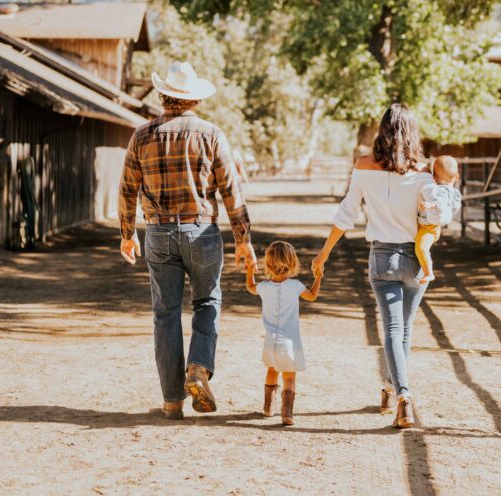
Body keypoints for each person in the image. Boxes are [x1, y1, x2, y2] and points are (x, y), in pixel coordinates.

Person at [119, 61, 258, 420]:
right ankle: (197, 369)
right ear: (194, 100)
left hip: (159, 232)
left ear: (164, 95)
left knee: (165, 315)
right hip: (202, 231)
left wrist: (126, 233)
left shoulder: (141, 135)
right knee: (207, 302)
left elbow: (127, 189)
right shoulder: (211, 134)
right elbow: (231, 190)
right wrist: (244, 239)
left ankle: (171, 402)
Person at [312, 103, 434, 429]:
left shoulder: (364, 165)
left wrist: (323, 255)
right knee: (404, 330)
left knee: (394, 329)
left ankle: (402, 394)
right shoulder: (424, 171)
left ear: (382, 129)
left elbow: (346, 214)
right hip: (416, 259)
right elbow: (435, 215)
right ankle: (396, 391)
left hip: (382, 257)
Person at [245, 241, 322, 426]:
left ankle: (268, 407)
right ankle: (286, 412)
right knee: (289, 377)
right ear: (292, 262)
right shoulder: (295, 286)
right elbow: (312, 295)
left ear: (268, 264)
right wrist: (318, 277)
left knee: (271, 371)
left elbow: (250, 287)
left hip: (270, 342)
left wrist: (249, 269)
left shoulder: (264, 287)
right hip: (290, 342)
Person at [415, 155, 463, 284]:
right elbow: (453, 207)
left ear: (433, 177)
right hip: (433, 227)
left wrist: (431, 205)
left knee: (421, 248)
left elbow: (440, 201)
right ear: (457, 177)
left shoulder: (439, 191)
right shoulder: (454, 192)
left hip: (428, 228)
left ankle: (429, 273)